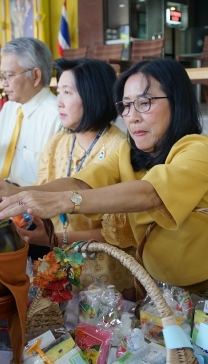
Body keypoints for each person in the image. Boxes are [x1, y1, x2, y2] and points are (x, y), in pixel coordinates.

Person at [0, 58, 208, 290]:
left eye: (145, 102)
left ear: (177, 101)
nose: (132, 116)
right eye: (126, 106)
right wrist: (18, 193)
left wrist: (65, 201)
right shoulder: (129, 154)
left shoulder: (198, 149)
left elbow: (150, 193)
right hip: (159, 282)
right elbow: (82, 181)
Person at [25, 58, 135, 291]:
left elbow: (119, 234)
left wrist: (53, 238)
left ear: (92, 95)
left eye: (67, 92)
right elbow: (40, 193)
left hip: (103, 274)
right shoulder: (57, 142)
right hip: (55, 258)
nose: (59, 102)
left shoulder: (119, 147)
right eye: (58, 92)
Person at [0, 37, 62, 186]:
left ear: (35, 76)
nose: (4, 83)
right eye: (2, 76)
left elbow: (58, 180)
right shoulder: (9, 108)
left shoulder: (57, 116)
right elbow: (1, 158)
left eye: (9, 76)